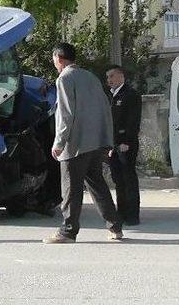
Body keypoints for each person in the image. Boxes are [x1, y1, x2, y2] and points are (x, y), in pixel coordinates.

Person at [43, 43, 123, 244]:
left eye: (54, 59)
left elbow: (65, 113)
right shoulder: (91, 77)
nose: (54, 63)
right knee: (97, 185)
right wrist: (106, 140)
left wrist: (59, 142)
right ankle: (115, 226)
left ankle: (68, 231)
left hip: (75, 143)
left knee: (70, 188)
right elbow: (105, 108)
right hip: (95, 142)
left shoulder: (65, 78)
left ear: (59, 58)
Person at [106, 66, 142, 225]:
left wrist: (126, 141)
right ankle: (121, 213)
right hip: (113, 144)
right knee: (118, 179)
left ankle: (132, 215)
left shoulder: (130, 95)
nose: (109, 80)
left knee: (128, 179)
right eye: (107, 77)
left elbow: (133, 121)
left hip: (125, 144)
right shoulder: (111, 95)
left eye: (111, 76)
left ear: (121, 76)